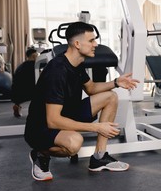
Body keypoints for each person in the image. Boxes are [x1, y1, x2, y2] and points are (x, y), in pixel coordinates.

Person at [24, 21, 139, 181]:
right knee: (74, 144)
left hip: (67, 114)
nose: (96, 44)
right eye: (91, 40)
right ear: (77, 44)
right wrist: (97, 127)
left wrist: (115, 82)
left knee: (110, 96)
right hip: (41, 127)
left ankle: (99, 157)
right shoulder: (57, 71)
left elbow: (91, 88)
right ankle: (41, 153)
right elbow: (53, 120)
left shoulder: (77, 63)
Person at [11, 48, 38, 117]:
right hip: (30, 91)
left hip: (16, 92)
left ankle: (17, 105)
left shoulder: (20, 66)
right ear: (34, 56)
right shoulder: (35, 66)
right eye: (37, 55)